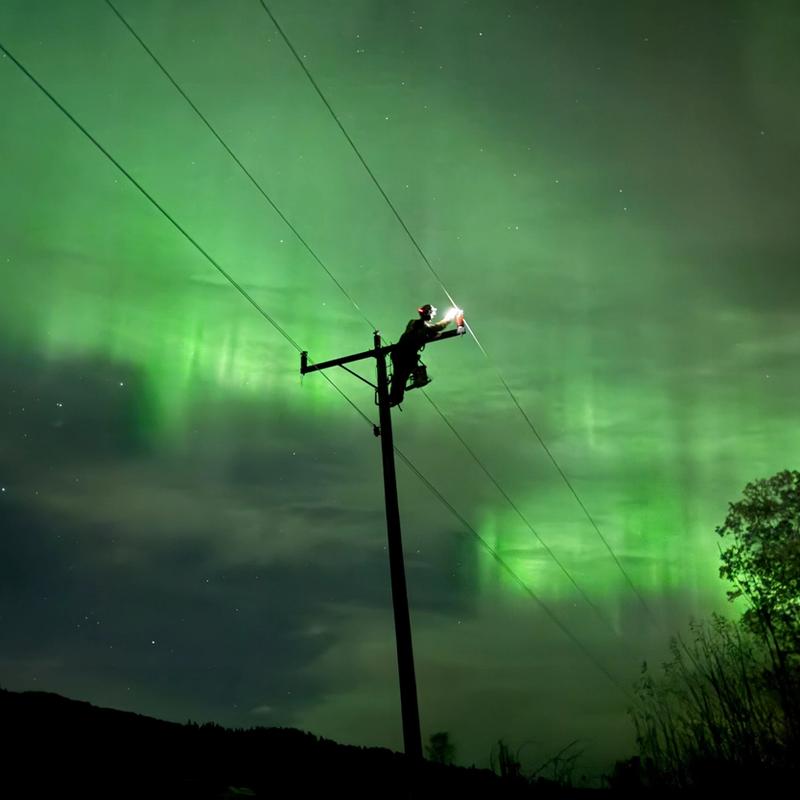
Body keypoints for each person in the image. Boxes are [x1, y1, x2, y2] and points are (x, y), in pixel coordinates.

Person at [389, 304, 454, 406]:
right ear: (428, 313)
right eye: (432, 313)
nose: (432, 316)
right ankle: (395, 398)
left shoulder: (414, 324)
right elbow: (439, 327)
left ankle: (394, 398)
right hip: (406, 355)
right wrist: (451, 316)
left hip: (398, 353)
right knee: (401, 377)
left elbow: (431, 332)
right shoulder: (421, 325)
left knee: (399, 378)